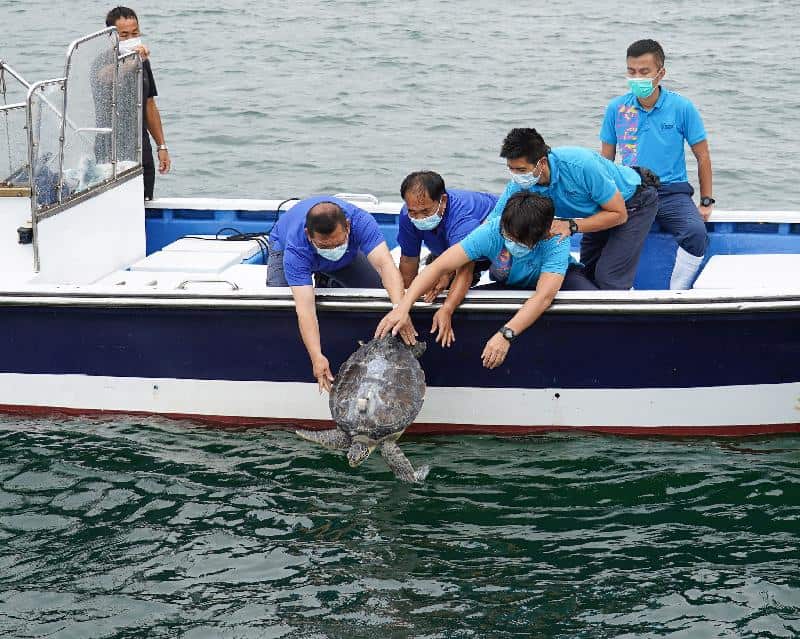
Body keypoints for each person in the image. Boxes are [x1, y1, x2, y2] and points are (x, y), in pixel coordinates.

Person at [377, 192, 572, 369]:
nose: (510, 241)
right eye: (507, 235)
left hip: (556, 283)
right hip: (507, 283)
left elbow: (543, 297)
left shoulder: (555, 239)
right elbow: (439, 266)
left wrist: (506, 334)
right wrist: (402, 308)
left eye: (518, 240)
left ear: (542, 235)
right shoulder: (494, 229)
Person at [268, 195, 417, 392]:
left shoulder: (361, 221)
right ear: (308, 234)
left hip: (347, 259)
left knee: (378, 294)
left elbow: (385, 265)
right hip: (284, 246)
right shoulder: (297, 246)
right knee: (282, 309)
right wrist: (316, 356)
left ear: (348, 226)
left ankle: (327, 278)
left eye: (337, 243)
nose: (332, 248)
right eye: (324, 246)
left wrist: (400, 308)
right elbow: (305, 308)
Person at [600, 39, 712, 289]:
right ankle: (620, 292)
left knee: (696, 234)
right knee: (605, 235)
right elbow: (605, 161)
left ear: (660, 73)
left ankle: (678, 292)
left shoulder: (682, 107)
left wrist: (706, 201)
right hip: (632, 191)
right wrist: (601, 200)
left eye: (644, 72)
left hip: (672, 193)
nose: (636, 77)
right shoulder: (616, 109)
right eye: (631, 71)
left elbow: (702, 155)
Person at [487, 127, 659, 290]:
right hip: (596, 211)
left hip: (633, 203)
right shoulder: (518, 184)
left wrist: (571, 225)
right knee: (588, 272)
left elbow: (619, 214)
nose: (517, 175)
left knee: (608, 277)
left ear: (542, 163)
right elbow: (492, 223)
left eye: (522, 169)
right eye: (511, 169)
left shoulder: (582, 166)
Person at [398, 171, 498, 346]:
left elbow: (465, 269)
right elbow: (408, 260)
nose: (419, 218)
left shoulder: (462, 217)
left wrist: (448, 309)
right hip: (446, 249)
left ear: (443, 201)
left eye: (425, 211)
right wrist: (404, 305)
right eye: (413, 211)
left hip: (492, 248)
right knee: (429, 287)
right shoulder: (407, 215)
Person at [106, 6, 171, 200]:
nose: (131, 39)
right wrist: (132, 61)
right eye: (124, 35)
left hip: (140, 146)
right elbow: (105, 77)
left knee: (145, 199)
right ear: (111, 37)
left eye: (135, 34)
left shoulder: (143, 62)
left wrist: (162, 146)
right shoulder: (102, 60)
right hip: (110, 149)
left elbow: (149, 104)